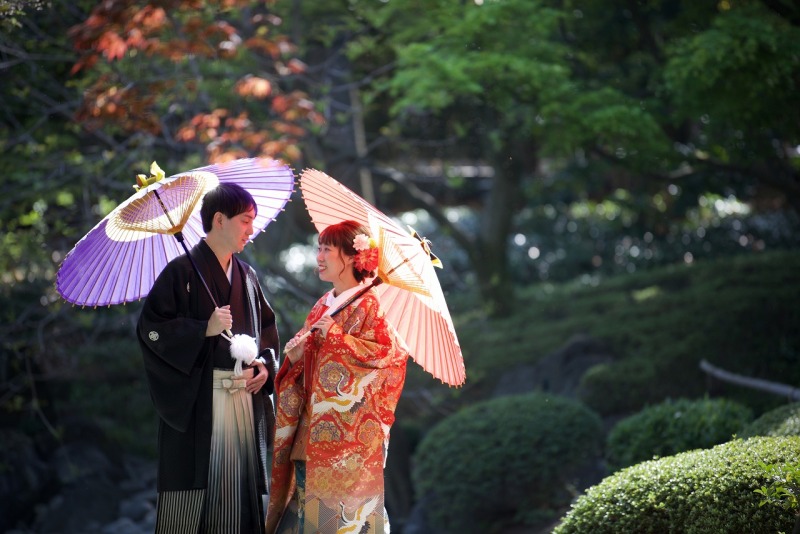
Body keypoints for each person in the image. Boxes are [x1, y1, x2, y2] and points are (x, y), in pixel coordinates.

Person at [137, 182, 280, 534]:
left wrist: (264, 368)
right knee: (191, 509)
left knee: (238, 507)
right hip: (199, 405)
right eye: (245, 220)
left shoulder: (247, 277)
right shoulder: (180, 273)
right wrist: (203, 328)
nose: (251, 229)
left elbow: (267, 332)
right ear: (219, 219)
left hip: (242, 401)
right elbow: (151, 330)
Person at [265, 220, 409, 534]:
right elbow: (309, 365)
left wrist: (337, 338)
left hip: (350, 440)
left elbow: (388, 357)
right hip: (310, 429)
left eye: (327, 249)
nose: (319, 256)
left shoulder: (371, 305)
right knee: (308, 517)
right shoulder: (323, 305)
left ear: (352, 256)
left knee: (341, 520)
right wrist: (296, 359)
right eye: (318, 248)